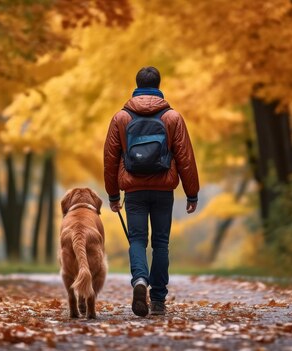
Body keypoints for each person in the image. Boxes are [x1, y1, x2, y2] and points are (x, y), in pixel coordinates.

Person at [103, 66, 200, 317]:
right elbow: (185, 158)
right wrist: (192, 193)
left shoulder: (121, 118)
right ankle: (157, 300)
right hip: (163, 188)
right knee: (160, 243)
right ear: (158, 85)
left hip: (133, 189)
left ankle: (139, 281)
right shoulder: (172, 118)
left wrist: (113, 195)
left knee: (136, 240)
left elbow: (110, 159)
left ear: (136, 85)